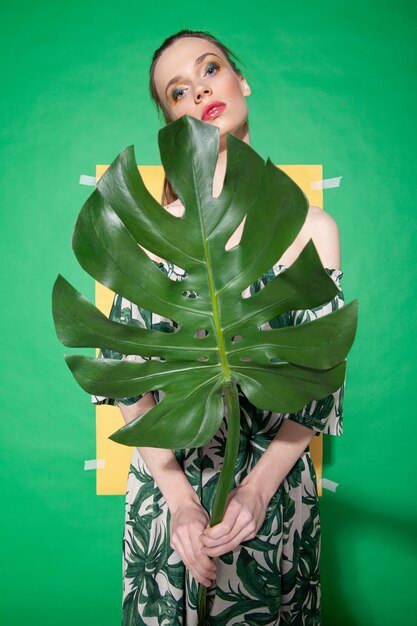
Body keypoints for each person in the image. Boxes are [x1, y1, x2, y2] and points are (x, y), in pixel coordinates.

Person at [93, 29, 345, 625]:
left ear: (241, 80)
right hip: (170, 491)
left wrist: (256, 490)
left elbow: (318, 378)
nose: (201, 88)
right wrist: (178, 499)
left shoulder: (315, 229)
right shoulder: (148, 234)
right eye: (179, 91)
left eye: (210, 69)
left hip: (273, 490)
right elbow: (127, 381)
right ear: (174, 122)